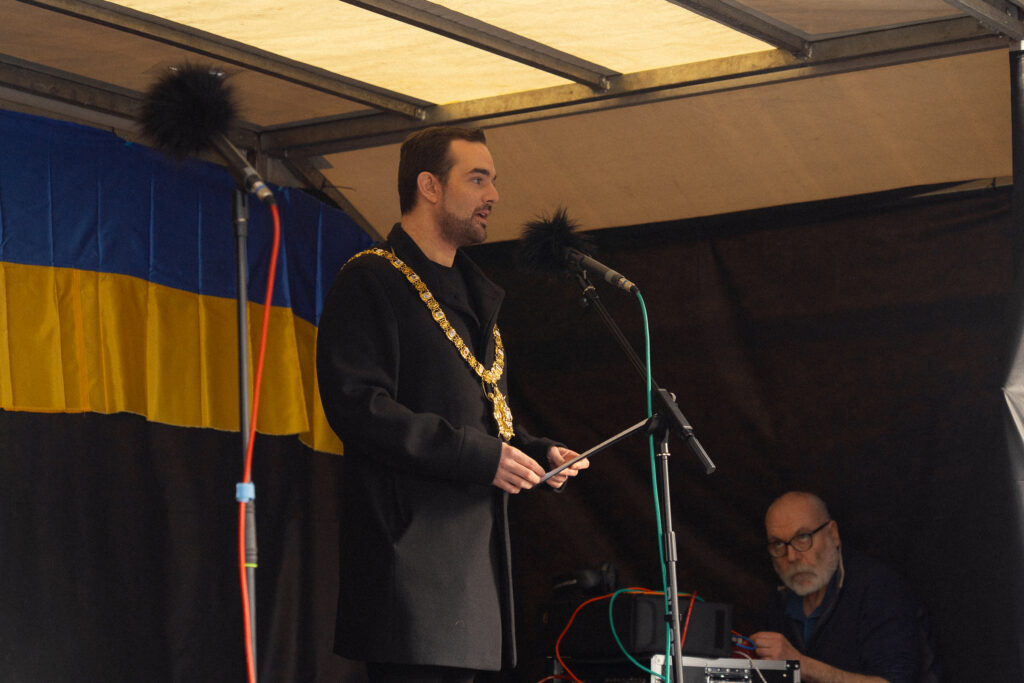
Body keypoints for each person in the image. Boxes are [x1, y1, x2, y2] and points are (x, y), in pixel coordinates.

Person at [316, 125, 588, 683]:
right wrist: (479, 456)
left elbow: (486, 420)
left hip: (473, 580)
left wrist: (534, 453)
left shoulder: (476, 294)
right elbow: (357, 406)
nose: (494, 195)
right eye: (478, 179)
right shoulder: (371, 279)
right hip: (407, 575)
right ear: (430, 187)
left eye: (494, 181)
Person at [750, 492, 931, 683]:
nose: (791, 556)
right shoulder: (780, 597)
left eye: (803, 537)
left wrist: (801, 665)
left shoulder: (879, 588)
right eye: (778, 543)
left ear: (833, 534)